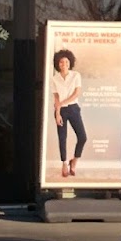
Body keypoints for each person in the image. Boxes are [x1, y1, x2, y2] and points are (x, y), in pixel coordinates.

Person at [51, 48, 86, 177]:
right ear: (57, 64)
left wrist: (61, 103)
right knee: (62, 137)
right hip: (60, 110)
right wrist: (57, 113)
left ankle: (74, 161)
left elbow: (76, 93)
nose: (64, 64)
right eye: (61, 62)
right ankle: (64, 163)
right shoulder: (54, 79)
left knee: (82, 137)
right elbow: (56, 97)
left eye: (66, 61)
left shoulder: (76, 75)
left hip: (73, 108)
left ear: (70, 62)